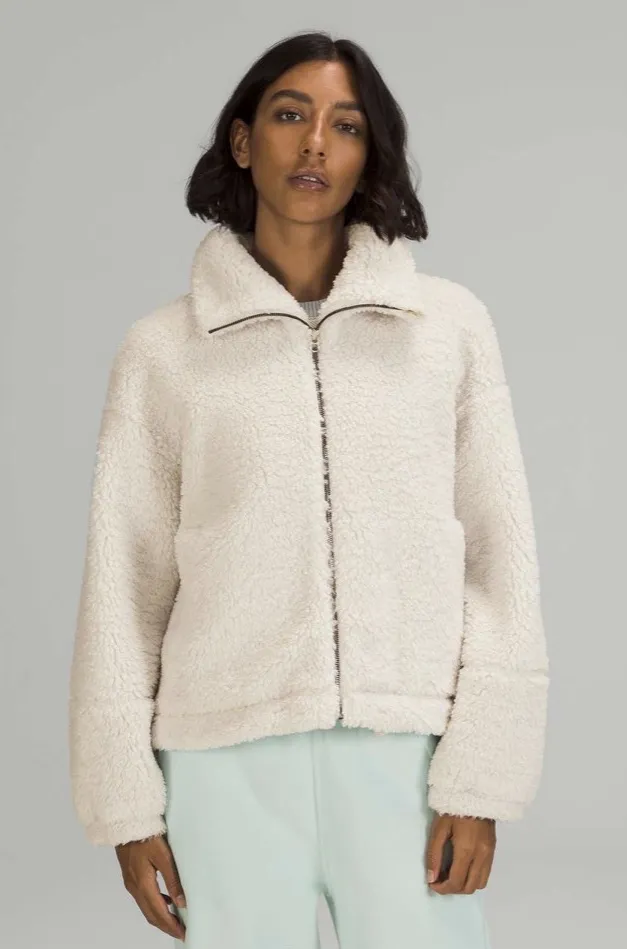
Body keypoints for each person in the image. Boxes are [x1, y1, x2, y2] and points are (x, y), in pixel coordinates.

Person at [68, 29, 549, 949]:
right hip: (223, 759)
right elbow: (124, 583)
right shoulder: (163, 351)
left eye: (347, 124)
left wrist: (481, 776)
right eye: (290, 115)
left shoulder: (447, 328)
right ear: (243, 141)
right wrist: (125, 803)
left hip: (405, 754)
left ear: (371, 153)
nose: (315, 143)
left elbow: (500, 560)